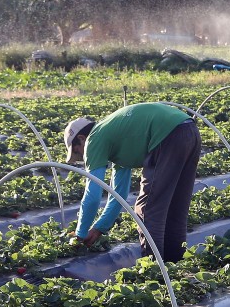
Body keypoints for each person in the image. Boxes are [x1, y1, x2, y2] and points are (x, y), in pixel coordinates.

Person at [64, 102, 202, 261]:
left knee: (147, 209)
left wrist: (80, 234)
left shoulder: (94, 139)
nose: (82, 157)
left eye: (77, 152)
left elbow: (93, 195)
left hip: (167, 134)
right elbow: (118, 196)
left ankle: (155, 270)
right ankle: (174, 266)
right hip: (189, 129)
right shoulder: (114, 138)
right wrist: (99, 228)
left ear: (82, 139)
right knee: (175, 207)